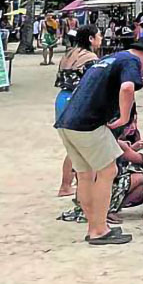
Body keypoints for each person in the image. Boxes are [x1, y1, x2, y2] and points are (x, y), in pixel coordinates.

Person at [54, 37, 143, 245]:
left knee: (85, 175)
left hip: (67, 121)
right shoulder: (131, 62)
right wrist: (123, 116)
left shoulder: (110, 58)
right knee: (107, 172)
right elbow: (127, 88)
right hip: (89, 124)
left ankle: (94, 226)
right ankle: (99, 229)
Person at [55, 24, 103, 197]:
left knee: (71, 146)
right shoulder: (90, 57)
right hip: (78, 101)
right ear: (91, 39)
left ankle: (65, 185)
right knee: (84, 146)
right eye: (99, 35)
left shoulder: (68, 54)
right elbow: (93, 85)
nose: (101, 39)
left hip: (62, 99)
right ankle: (75, 185)